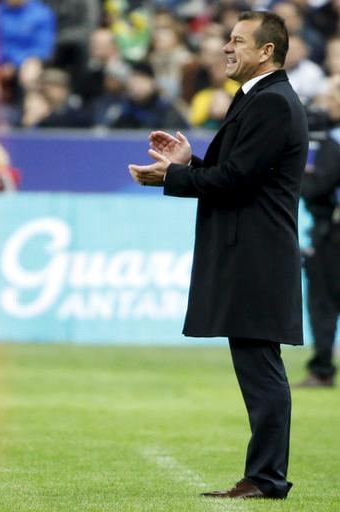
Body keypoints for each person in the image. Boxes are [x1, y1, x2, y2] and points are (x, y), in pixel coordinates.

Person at [128, 11, 308, 499]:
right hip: (251, 252)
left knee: (260, 368)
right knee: (256, 366)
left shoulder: (271, 104)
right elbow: (238, 174)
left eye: (236, 41)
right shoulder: (257, 99)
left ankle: (267, 477)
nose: (226, 49)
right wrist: (189, 166)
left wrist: (172, 177)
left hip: (256, 256)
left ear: (265, 50)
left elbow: (236, 182)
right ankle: (263, 475)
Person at [296, 80, 340, 388]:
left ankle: (322, 368)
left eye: (329, 98)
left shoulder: (330, 143)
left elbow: (316, 187)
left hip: (332, 234)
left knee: (323, 300)